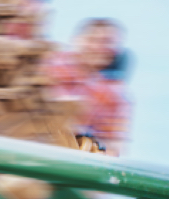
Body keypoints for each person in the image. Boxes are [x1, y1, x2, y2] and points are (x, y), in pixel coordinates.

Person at [45, 18, 132, 154]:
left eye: (107, 42)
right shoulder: (46, 64)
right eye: (92, 40)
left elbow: (115, 146)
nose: (99, 48)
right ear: (76, 40)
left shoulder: (113, 95)